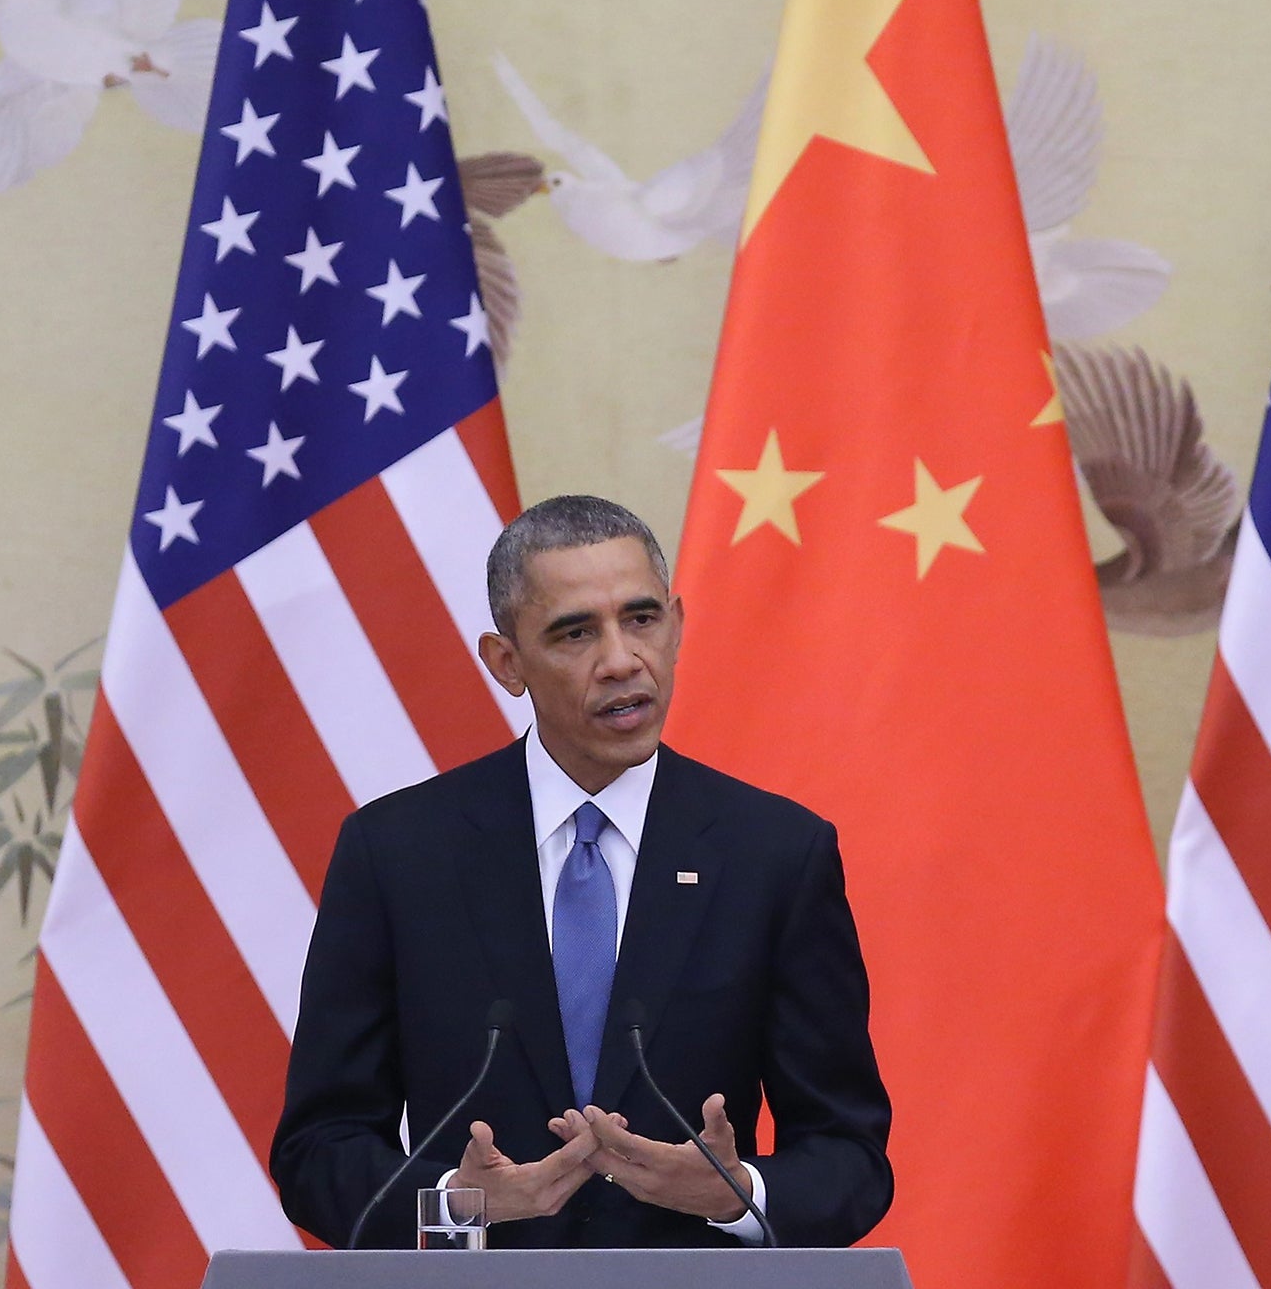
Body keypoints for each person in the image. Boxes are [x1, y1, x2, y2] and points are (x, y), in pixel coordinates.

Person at [269, 495, 893, 1248]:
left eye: (642, 619)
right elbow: (317, 1150)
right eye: (575, 632)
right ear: (507, 663)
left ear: (678, 624)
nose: (623, 659)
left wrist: (738, 1196)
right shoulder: (398, 853)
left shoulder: (775, 854)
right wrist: (457, 1205)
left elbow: (848, 1158)